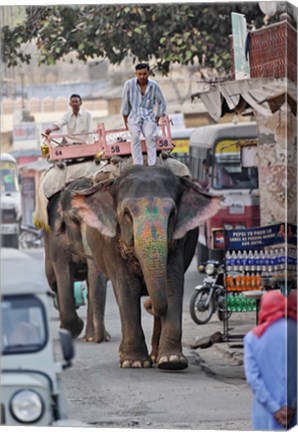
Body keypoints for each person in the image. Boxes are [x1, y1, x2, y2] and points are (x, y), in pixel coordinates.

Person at [244, 291, 297, 430]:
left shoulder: (252, 338)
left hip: (265, 415)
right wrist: (292, 406)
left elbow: (253, 378)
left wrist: (275, 408)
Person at [121, 63, 166, 166]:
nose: (142, 76)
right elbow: (125, 103)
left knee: (150, 137)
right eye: (139, 74)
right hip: (133, 116)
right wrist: (125, 120)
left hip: (149, 117)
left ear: (148, 73)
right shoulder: (129, 84)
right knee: (135, 137)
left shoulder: (154, 86)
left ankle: (152, 164)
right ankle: (138, 164)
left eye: (144, 74)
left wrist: (157, 117)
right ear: (136, 74)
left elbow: (162, 102)